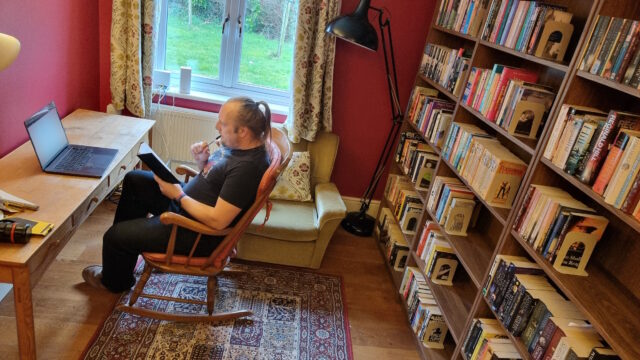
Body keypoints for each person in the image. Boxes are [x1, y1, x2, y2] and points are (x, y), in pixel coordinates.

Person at [82, 97, 272, 293]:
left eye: (222, 124)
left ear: (242, 131)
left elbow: (218, 220)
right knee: (134, 180)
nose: (217, 126)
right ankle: (124, 262)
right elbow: (216, 182)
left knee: (114, 237)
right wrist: (202, 162)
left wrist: (179, 195)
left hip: (196, 231)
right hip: (187, 209)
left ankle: (115, 282)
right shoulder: (239, 147)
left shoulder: (248, 168)